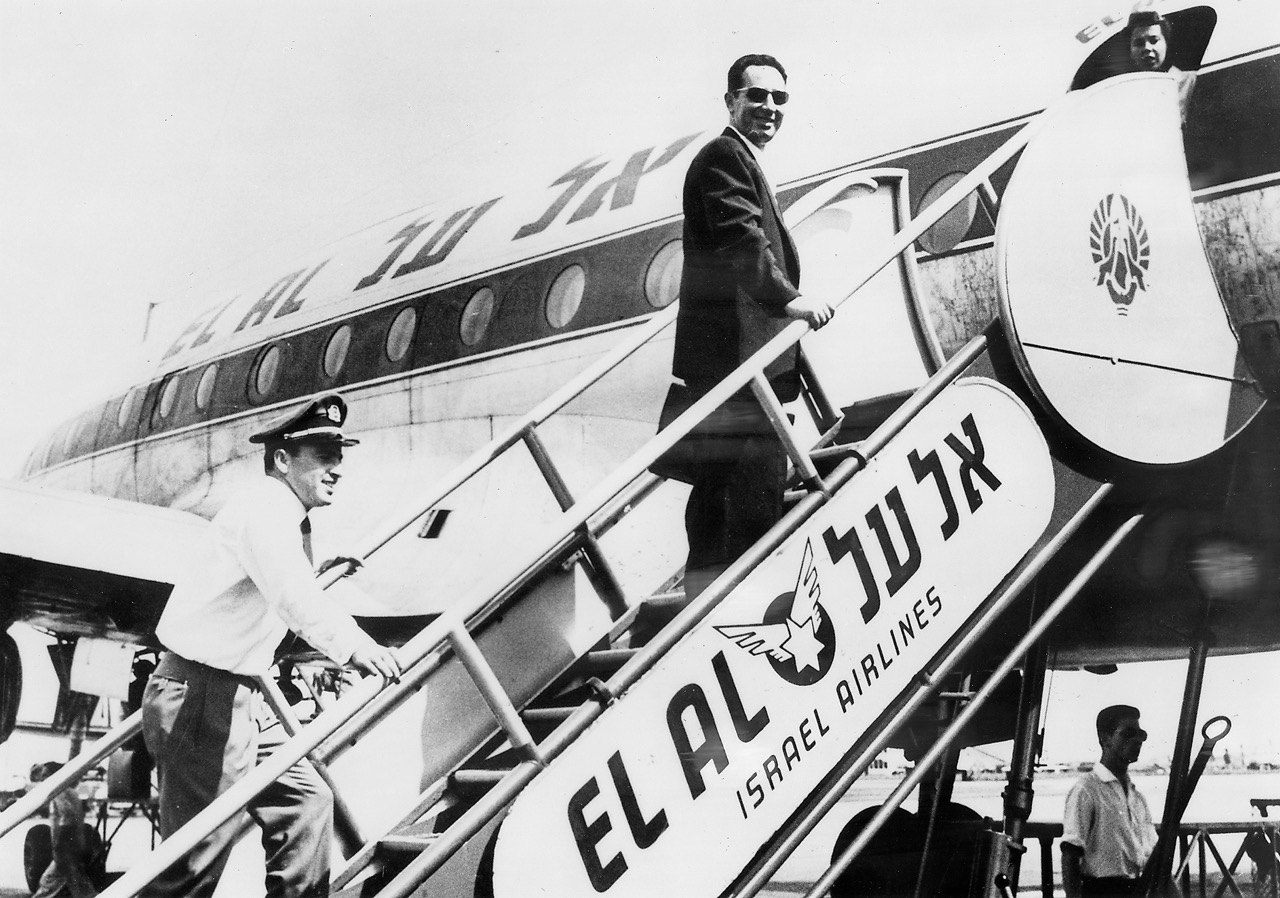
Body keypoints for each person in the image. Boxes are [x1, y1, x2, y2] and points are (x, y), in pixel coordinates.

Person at [140, 393, 401, 898]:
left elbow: (274, 586)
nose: (337, 469)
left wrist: (317, 573)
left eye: (339, 456)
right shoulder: (264, 507)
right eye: (324, 455)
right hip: (202, 699)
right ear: (282, 459)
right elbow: (290, 595)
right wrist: (358, 648)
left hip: (238, 699)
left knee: (305, 803)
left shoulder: (280, 516)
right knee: (192, 868)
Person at [655, 53, 833, 601]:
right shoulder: (724, 158)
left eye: (779, 99)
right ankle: (718, 615)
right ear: (731, 100)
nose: (770, 108)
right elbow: (740, 240)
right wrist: (790, 300)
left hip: (740, 362)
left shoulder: (740, 159)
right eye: (757, 96)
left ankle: (705, 608)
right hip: (737, 363)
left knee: (725, 496)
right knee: (741, 500)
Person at [1061, 704, 1159, 898]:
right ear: (1105, 738)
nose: (1137, 741)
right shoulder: (1087, 790)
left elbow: (1155, 860)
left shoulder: (1137, 798)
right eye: (1128, 734)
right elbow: (1070, 856)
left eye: (1141, 735)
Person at [30, 762, 100, 898]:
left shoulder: (60, 793)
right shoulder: (68, 791)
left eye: (46, 776)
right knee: (78, 884)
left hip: (64, 845)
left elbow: (67, 816)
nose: (43, 780)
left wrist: (58, 846)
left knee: (49, 883)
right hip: (71, 844)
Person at [1126, 11, 1196, 118]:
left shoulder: (1189, 82)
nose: (1147, 48)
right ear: (1130, 51)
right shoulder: (1128, 93)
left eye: (1154, 40)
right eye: (1139, 43)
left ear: (1166, 43)